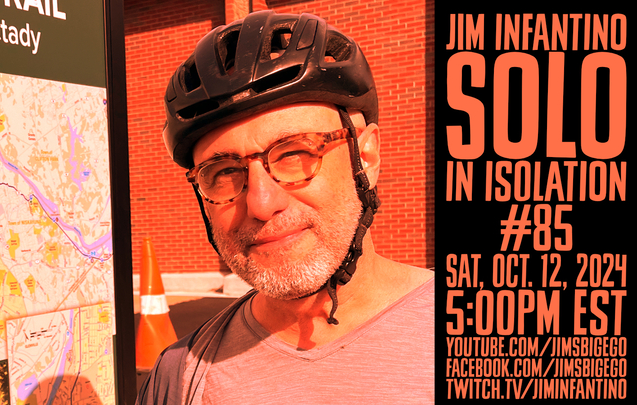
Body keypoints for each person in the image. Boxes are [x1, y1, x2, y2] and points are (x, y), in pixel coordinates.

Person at [136, 10, 434, 404]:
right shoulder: (180, 376)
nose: (261, 203)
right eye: (223, 172)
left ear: (366, 156)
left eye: (295, 153)